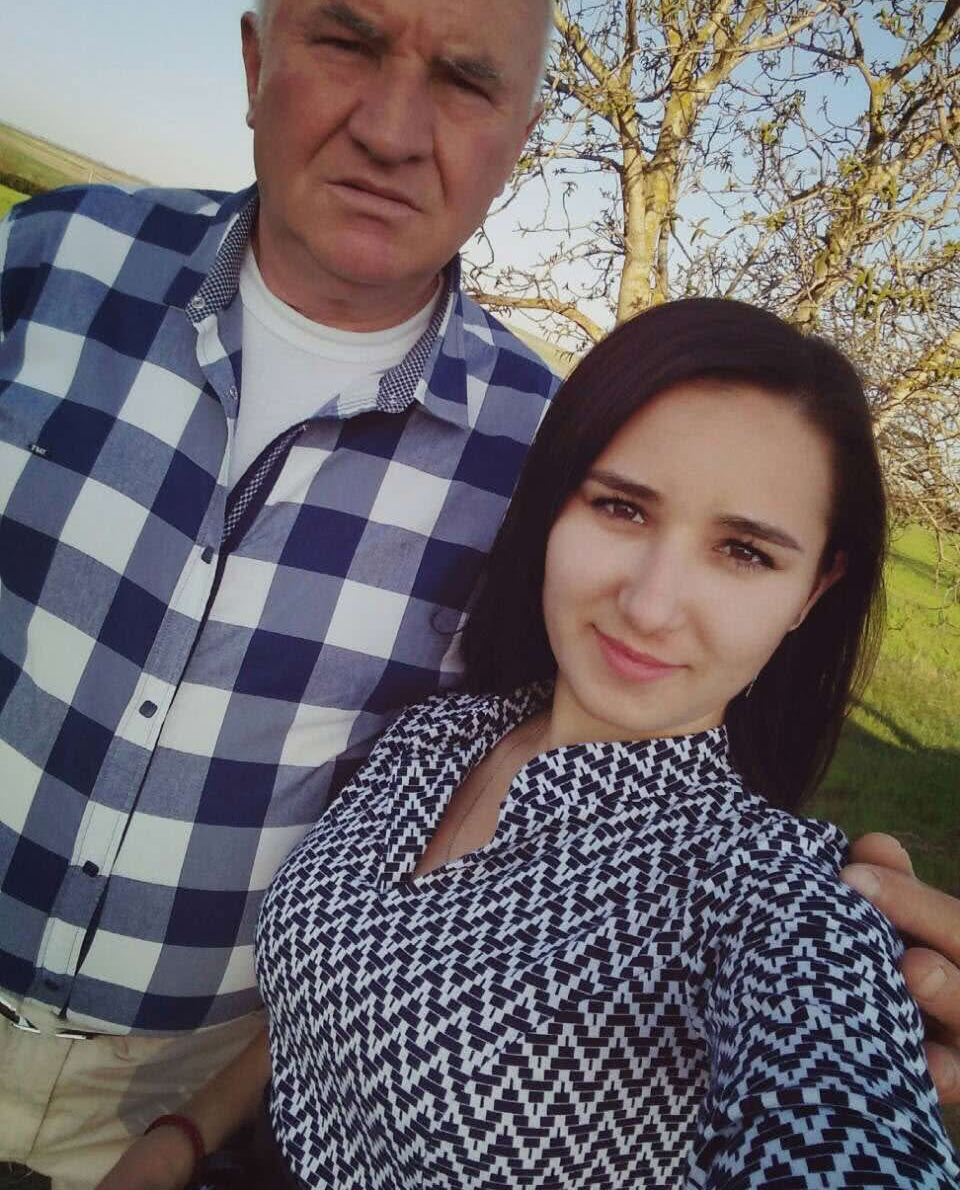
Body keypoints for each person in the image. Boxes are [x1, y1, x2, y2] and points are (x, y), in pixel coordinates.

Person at [0, 0, 957, 1186]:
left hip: (160, 1071)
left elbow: (834, 1102)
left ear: (520, 133)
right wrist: (193, 1140)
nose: (394, 130)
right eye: (347, 43)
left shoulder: (766, 897)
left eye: (463, 80)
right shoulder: (43, 265)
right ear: (253, 61)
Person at [97, 298, 959, 1190]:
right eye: (621, 508)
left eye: (744, 552)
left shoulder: (770, 896)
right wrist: (184, 1136)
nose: (650, 605)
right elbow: (336, 990)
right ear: (554, 507)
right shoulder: (439, 732)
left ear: (813, 591)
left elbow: (842, 1124)